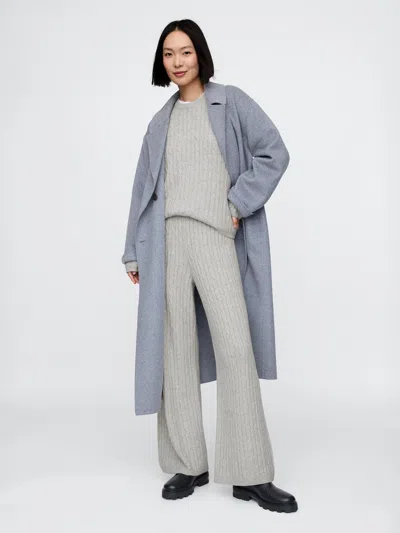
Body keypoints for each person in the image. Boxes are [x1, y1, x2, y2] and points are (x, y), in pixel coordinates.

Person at [121, 19, 298, 513]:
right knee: (175, 350)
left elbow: (274, 152)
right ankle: (188, 462)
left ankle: (250, 472)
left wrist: (237, 203)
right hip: (167, 243)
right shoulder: (159, 123)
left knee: (236, 348)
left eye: (185, 51)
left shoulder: (231, 102)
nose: (177, 61)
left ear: (200, 54)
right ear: (161, 62)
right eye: (168, 53)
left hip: (216, 235)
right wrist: (133, 249)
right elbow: (142, 190)